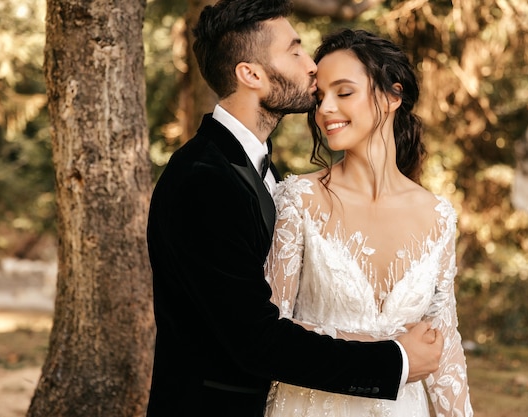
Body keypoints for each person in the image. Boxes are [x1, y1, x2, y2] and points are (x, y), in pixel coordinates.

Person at [145, 1, 444, 416]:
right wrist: (395, 361)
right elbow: (256, 340)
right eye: (295, 50)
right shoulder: (203, 180)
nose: (311, 66)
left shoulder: (259, 169)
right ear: (251, 74)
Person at [264, 28, 473, 416]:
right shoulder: (299, 201)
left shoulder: (438, 215)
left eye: (343, 93)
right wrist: (394, 352)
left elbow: (445, 351)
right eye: (320, 96)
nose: (325, 108)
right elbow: (270, 331)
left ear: (393, 95)